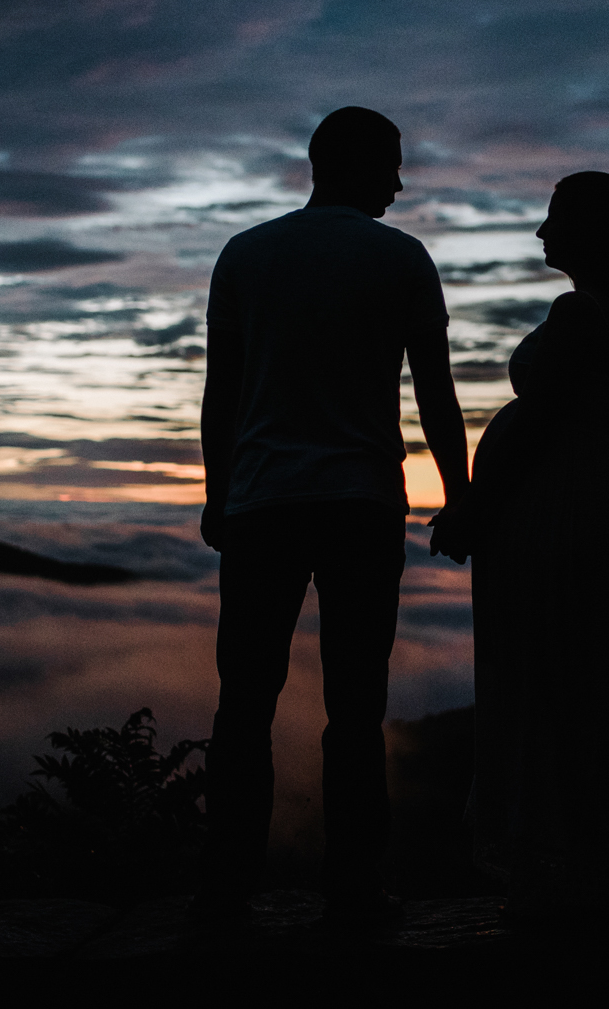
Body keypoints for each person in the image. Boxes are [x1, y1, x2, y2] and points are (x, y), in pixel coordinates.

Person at [192, 106, 471, 933]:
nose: (399, 182)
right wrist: (460, 494)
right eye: (392, 164)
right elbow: (434, 391)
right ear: (355, 164)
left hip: (262, 505)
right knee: (356, 707)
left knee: (243, 703)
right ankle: (352, 890)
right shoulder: (402, 258)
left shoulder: (244, 254)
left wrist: (219, 490)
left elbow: (222, 392)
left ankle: (225, 889)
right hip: (362, 505)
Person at [430, 170, 609, 927]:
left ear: (589, 231)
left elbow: (535, 424)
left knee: (552, 672)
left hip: (560, 520)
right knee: (590, 675)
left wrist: (471, 510)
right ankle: (593, 862)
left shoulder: (578, 315)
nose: (540, 233)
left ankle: (564, 869)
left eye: (553, 218)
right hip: (598, 510)